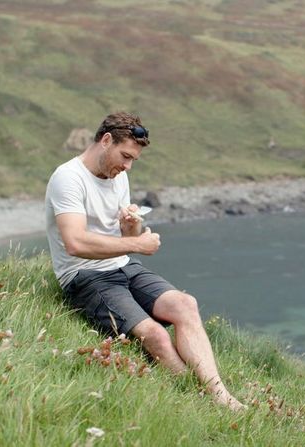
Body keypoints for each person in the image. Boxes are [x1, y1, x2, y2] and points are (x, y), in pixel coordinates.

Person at [45, 112, 244, 410]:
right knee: (155, 336)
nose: (127, 166)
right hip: (84, 276)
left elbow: (124, 235)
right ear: (106, 140)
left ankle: (221, 396)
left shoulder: (119, 176)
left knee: (184, 304)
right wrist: (136, 243)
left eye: (133, 160)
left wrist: (131, 227)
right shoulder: (68, 178)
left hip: (123, 266)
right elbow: (75, 243)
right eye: (125, 156)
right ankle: (198, 401)